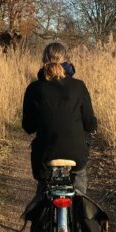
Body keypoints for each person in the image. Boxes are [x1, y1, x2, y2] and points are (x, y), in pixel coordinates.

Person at [22, 42, 97, 194]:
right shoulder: (79, 86)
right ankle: (81, 207)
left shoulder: (34, 88)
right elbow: (89, 124)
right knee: (80, 181)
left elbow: (28, 126)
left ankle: (41, 211)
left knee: (43, 192)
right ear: (66, 60)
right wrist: (92, 126)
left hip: (45, 152)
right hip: (76, 152)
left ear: (43, 60)